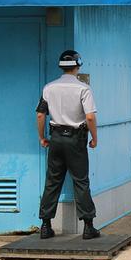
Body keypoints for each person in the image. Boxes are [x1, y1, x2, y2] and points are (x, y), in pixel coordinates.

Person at [36, 50, 101, 240]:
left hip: (55, 138)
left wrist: (42, 137)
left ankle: (46, 226)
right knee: (80, 181)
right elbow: (89, 116)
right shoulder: (83, 89)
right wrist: (94, 138)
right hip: (76, 139)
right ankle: (88, 227)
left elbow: (40, 114)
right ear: (78, 65)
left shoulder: (49, 88)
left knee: (52, 181)